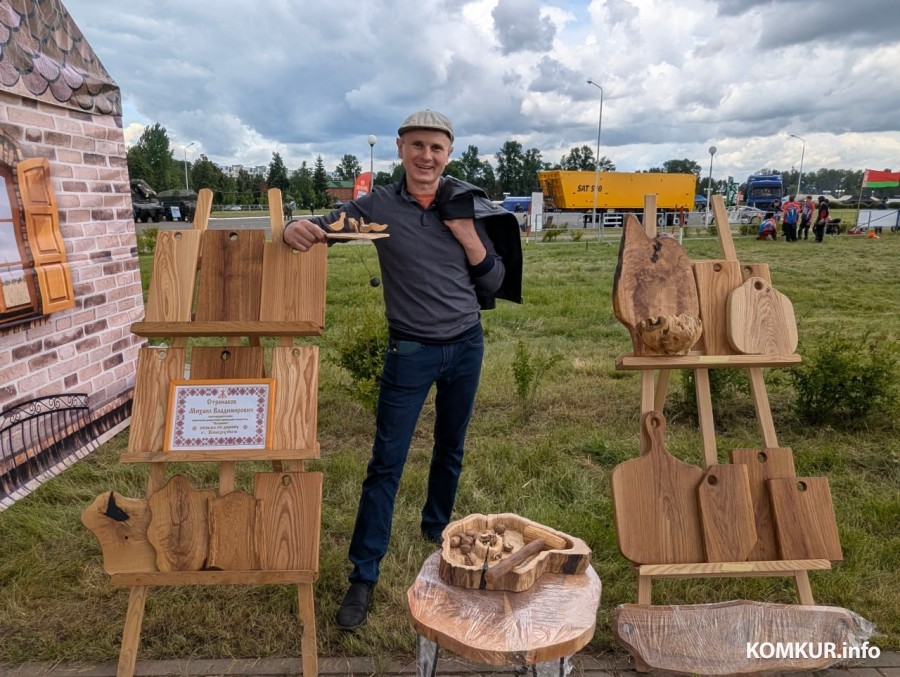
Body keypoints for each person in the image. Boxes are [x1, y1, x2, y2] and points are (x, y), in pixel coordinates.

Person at [283, 109, 522, 631]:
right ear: (399, 148)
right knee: (385, 464)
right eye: (417, 145)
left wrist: (466, 233)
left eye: (436, 148)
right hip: (409, 352)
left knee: (450, 446)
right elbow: (323, 228)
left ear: (449, 154)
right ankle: (363, 575)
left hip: (466, 346)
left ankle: (438, 530)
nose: (426, 156)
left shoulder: (465, 203)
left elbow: (494, 279)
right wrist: (292, 227)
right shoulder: (380, 207)